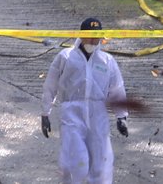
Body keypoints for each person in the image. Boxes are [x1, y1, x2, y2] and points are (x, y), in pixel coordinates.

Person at [40, 17, 129, 184]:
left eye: (97, 37)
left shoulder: (107, 61)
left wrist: (121, 117)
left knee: (101, 166)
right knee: (75, 163)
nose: (94, 40)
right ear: (81, 35)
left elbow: (117, 88)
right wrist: (45, 112)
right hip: (72, 115)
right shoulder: (66, 57)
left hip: (98, 117)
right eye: (90, 36)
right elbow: (51, 84)